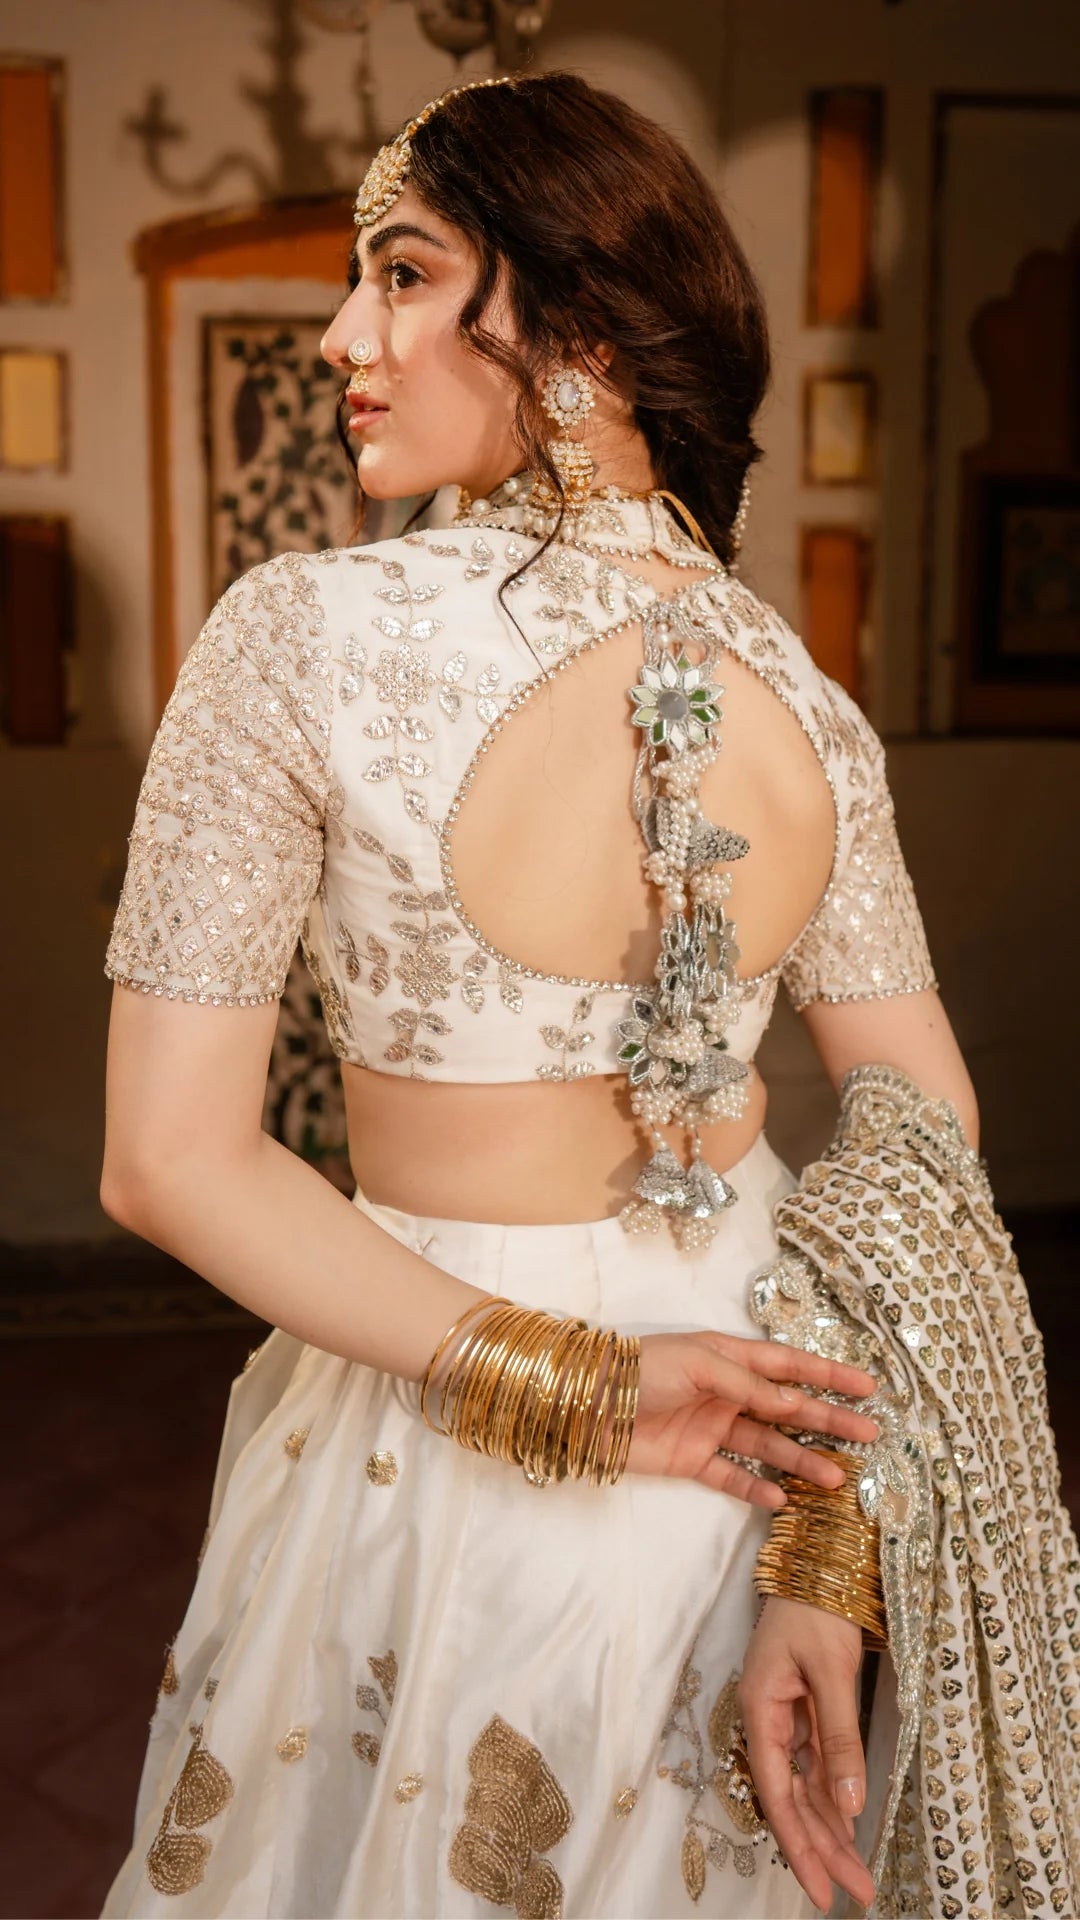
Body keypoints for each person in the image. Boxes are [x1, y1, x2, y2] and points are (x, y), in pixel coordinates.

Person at [98, 70, 1080, 1920]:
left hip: (444, 1405)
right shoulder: (806, 692)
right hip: (772, 1415)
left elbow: (166, 1163)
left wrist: (577, 1391)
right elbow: (922, 1122)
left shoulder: (297, 637)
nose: (340, 336)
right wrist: (832, 1537)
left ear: (567, 327)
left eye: (400, 274)